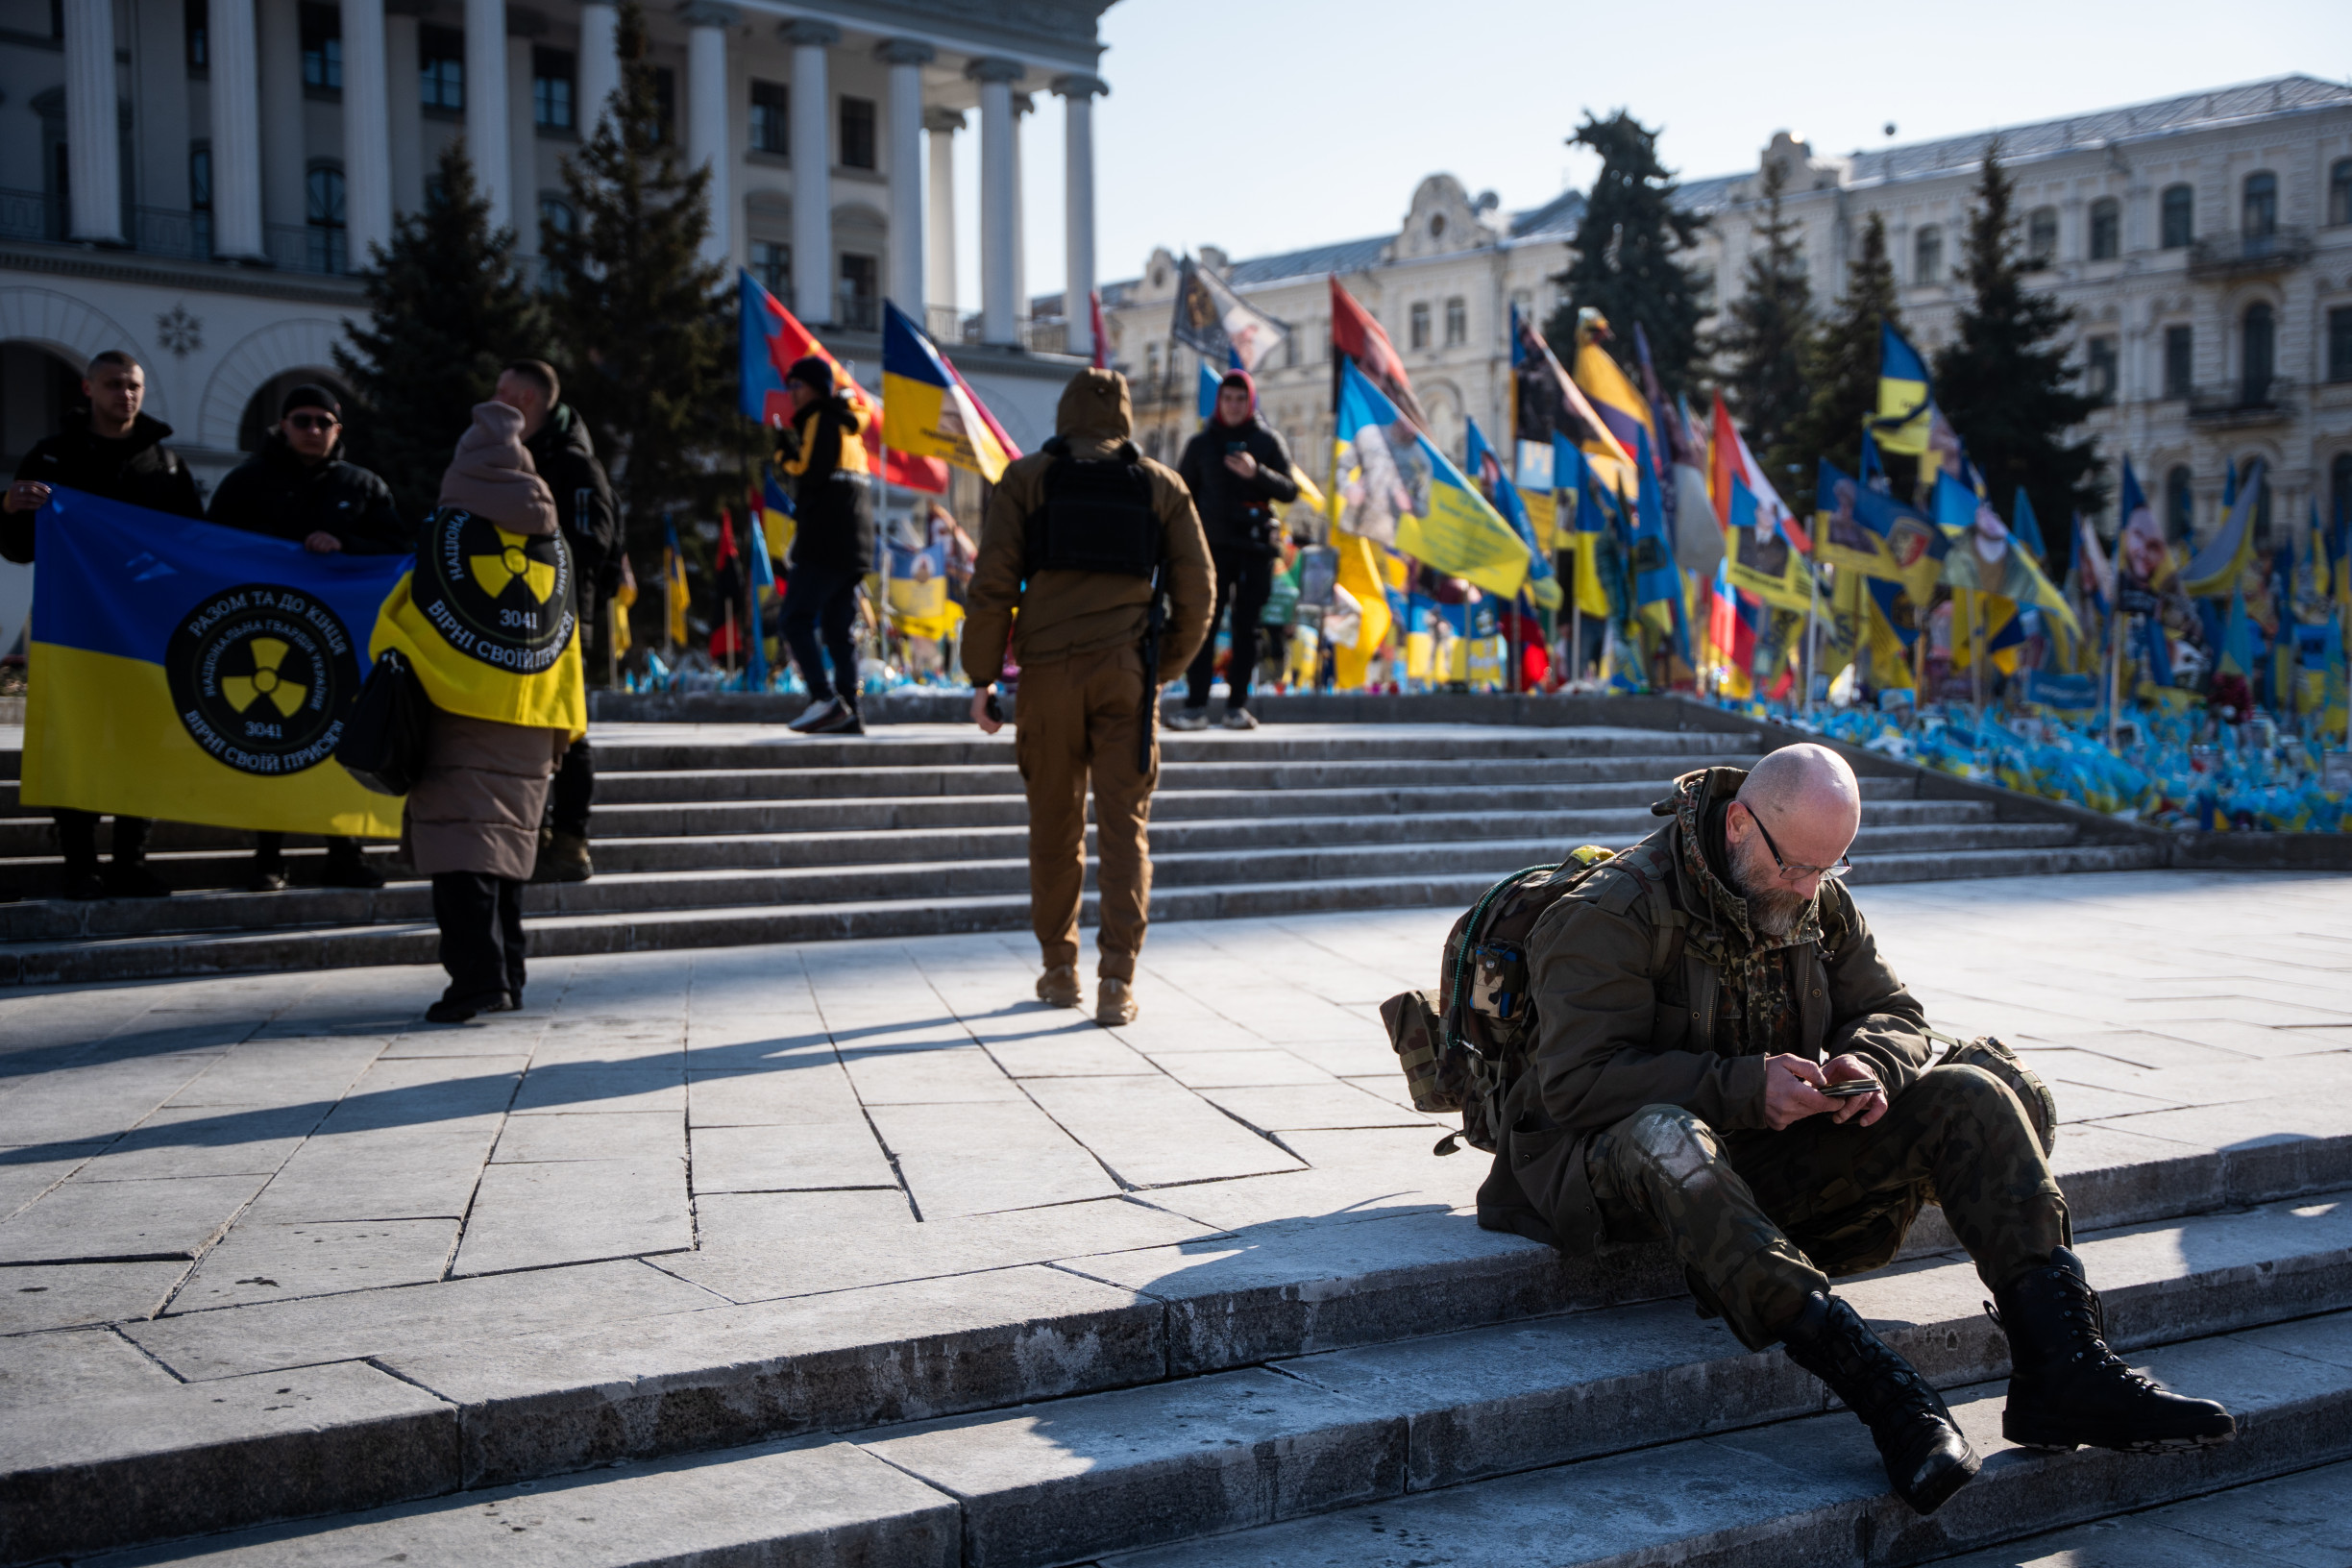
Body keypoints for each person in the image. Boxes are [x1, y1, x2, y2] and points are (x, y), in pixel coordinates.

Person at [1477, 745, 2235, 1515]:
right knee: (1670, 1138)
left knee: (1970, 1090)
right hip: (1605, 1168)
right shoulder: (1613, 912)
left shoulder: (1813, 892)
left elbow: (1897, 1013)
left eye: (1829, 870)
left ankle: (2065, 1371)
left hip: (1750, 1153)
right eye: (1796, 869)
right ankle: (1888, 1398)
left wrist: (1866, 1065)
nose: (1809, 890)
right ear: (1739, 824)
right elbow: (1575, 1083)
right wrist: (1743, 1088)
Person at [965, 368, 1213, 1025]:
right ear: (1125, 415)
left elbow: (993, 583)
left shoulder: (1026, 479)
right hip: (1125, 673)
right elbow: (1199, 591)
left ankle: (1058, 969)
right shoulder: (1161, 484)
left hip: (1045, 676)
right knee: (1124, 828)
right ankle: (1116, 982)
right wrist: (1161, 668)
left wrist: (982, 676)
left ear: (1065, 412)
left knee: (1054, 825)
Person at [395, 403, 578, 1023]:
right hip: (530, 724)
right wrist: (562, 731)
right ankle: (510, 979)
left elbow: (401, 626)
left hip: (459, 718)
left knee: (459, 856)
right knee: (504, 858)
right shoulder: (553, 550)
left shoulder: (445, 540)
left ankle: (476, 983)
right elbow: (569, 642)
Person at [1, 350, 204, 899]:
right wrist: (10, 509)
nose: (127, 394)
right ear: (88, 389)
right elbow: (19, 552)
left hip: (145, 632)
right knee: (75, 742)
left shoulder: (165, 466)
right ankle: (81, 865)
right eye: (114, 384)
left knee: (145, 745)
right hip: (73, 630)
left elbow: (192, 549)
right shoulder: (52, 457)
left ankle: (131, 862)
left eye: (134, 385)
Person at [206, 382, 404, 893]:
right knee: (272, 744)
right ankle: (268, 857)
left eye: (324, 421)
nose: (313, 430)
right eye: (302, 421)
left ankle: (345, 853)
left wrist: (344, 544)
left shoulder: (364, 485)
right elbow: (209, 546)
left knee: (338, 744)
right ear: (282, 426)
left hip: (340, 648)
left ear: (338, 429)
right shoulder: (246, 482)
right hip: (262, 641)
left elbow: (395, 550)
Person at [492, 359, 620, 882]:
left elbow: (595, 544)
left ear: (525, 400)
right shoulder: (514, 458)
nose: (492, 401)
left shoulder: (574, 465)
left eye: (501, 393)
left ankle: (570, 840)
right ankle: (534, 832)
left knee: (568, 734)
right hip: (513, 618)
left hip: (562, 623)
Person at [1169, 370, 1297, 731]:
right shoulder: (1201, 444)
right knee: (1203, 625)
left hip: (1255, 547)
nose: (1235, 405)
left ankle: (1236, 707)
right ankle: (1195, 707)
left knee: (1248, 628)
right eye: (1228, 398)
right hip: (1211, 548)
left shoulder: (1267, 441)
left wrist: (1257, 473)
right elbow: (1182, 497)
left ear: (1251, 401)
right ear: (1219, 401)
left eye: (1241, 399)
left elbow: (1289, 490)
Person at [773, 356, 874, 737]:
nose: (792, 394)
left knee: (794, 619)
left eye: (797, 385)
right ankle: (850, 711)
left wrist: (784, 456)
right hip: (856, 546)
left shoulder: (820, 419)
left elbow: (811, 472)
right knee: (837, 629)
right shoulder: (852, 427)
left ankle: (825, 700)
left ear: (815, 386)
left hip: (825, 544)